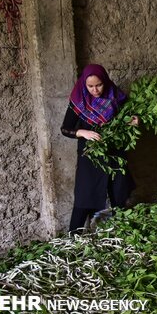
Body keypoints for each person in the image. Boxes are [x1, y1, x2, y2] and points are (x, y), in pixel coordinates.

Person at [61, 64, 137, 234]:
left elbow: (125, 120)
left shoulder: (116, 97)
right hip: (91, 156)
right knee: (85, 195)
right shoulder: (79, 102)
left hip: (114, 153)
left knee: (119, 192)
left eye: (99, 85)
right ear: (84, 85)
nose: (95, 90)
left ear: (106, 81)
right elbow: (65, 129)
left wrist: (132, 121)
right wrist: (83, 132)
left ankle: (122, 231)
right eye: (90, 86)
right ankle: (73, 238)